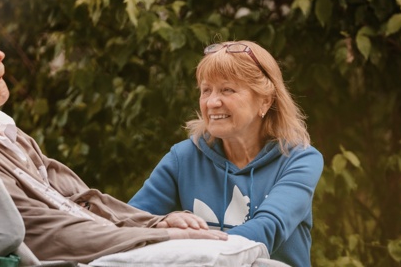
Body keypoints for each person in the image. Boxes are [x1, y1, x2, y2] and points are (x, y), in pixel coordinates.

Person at [0, 14, 226, 264]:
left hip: (109, 246)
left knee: (245, 255)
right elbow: (42, 233)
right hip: (86, 259)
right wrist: (159, 236)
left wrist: (156, 221)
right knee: (238, 255)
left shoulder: (5, 133)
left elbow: (81, 200)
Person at [128, 41, 324, 267]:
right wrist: (160, 223)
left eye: (227, 90)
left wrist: (188, 242)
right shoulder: (183, 158)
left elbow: (268, 227)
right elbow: (128, 223)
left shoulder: (299, 159)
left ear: (265, 100)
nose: (212, 102)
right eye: (206, 90)